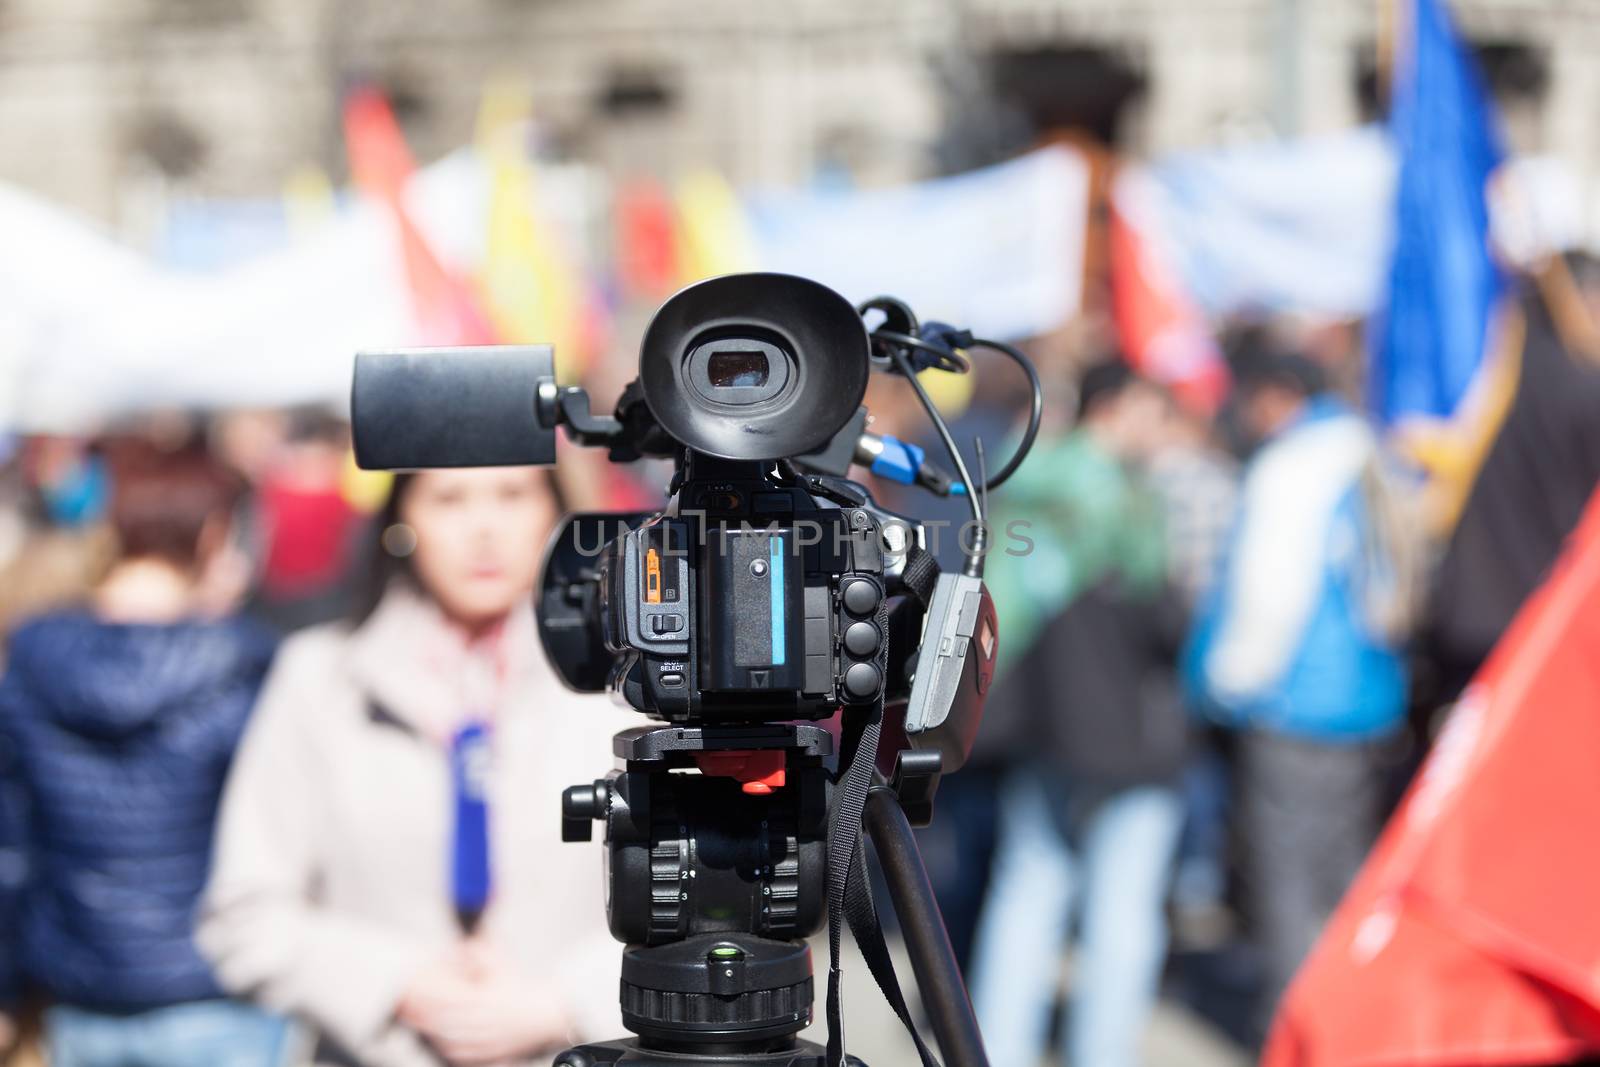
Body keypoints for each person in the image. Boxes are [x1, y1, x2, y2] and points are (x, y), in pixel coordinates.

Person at [200, 467, 635, 1067]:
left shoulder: (625, 690)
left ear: (553, 512)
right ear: (401, 519)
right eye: (449, 499)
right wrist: (399, 984)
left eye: (512, 496)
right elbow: (244, 917)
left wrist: (564, 1003)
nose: (484, 529)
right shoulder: (321, 678)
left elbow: (718, 909)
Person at [0, 442, 289, 1067]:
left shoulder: (34, 658)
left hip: (81, 1000)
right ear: (216, 538)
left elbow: (11, 847)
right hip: (217, 994)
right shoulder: (243, 665)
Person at [969, 361, 1189, 1067]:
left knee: (1026, 891)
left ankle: (997, 1049)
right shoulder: (1128, 506)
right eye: (1154, 412)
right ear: (1118, 408)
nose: (1161, 432)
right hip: (1129, 735)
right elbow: (1168, 622)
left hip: (1042, 726)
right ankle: (1103, 1053)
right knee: (1121, 911)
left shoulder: (1022, 487)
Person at [1185, 351, 1414, 1029]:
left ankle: (1299, 1034)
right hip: (1365, 698)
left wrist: (1228, 682)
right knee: (1339, 877)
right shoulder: (1369, 453)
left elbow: (1268, 593)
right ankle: (1350, 1025)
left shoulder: (1293, 468)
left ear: (1280, 394)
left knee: (1285, 884)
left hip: (1292, 702)